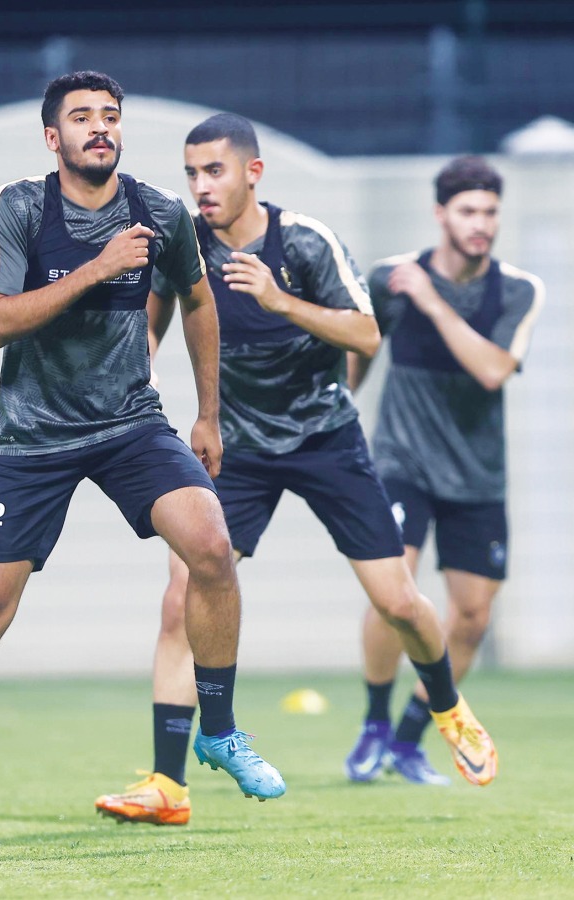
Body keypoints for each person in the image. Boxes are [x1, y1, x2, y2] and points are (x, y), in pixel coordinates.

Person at [95, 114, 498, 826]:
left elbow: (366, 332)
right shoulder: (182, 243)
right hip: (241, 450)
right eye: (191, 173)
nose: (200, 186)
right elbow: (151, 329)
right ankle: (167, 782)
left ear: (253, 173)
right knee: (178, 598)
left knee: (398, 602)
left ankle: (446, 704)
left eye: (213, 171)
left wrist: (280, 299)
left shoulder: (306, 241)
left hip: (325, 439)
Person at [0, 71, 285, 814]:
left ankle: (218, 730)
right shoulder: (19, 206)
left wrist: (209, 415)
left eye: (110, 116)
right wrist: (98, 268)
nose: (99, 127)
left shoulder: (160, 211)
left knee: (212, 546)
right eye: (82, 117)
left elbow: (198, 302)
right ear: (53, 138)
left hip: (129, 424)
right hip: (31, 436)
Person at [344, 156, 543, 785]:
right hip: (401, 460)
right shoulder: (391, 279)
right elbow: (358, 360)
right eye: (468, 211)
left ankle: (409, 738)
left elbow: (491, 370)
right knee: (393, 591)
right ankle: (374, 726)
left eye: (489, 212)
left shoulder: (517, 291)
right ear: (440, 215)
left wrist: (431, 302)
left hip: (477, 476)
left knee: (473, 616)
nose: (480, 223)